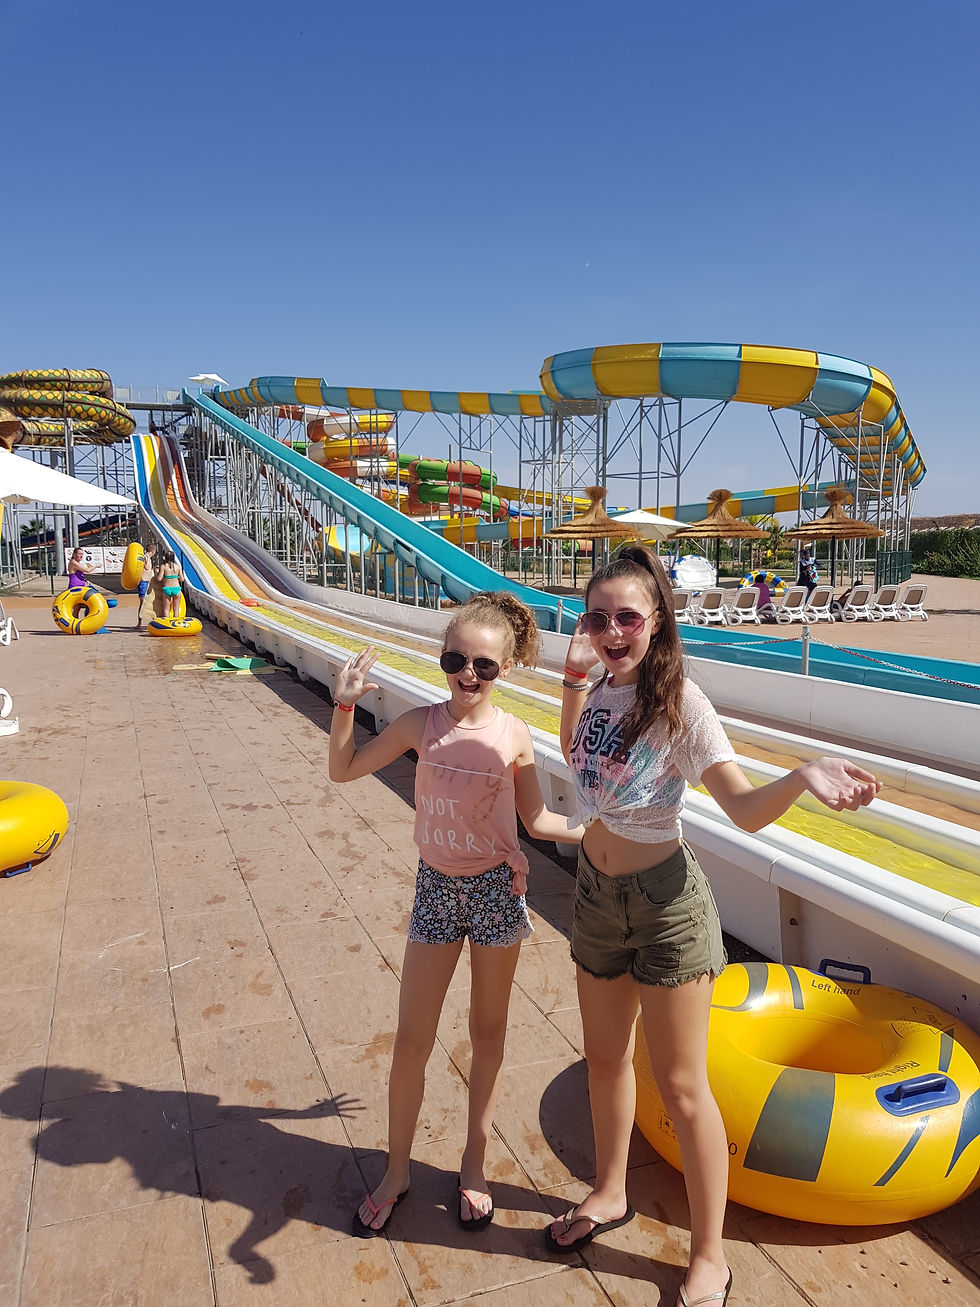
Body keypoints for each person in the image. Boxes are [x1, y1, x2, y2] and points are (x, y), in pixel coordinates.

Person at [547, 543, 880, 1307]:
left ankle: (709, 1256)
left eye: (627, 616)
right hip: (597, 897)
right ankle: (607, 1191)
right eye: (598, 618)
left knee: (684, 1086)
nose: (611, 630)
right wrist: (572, 681)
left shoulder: (682, 705)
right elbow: (578, 757)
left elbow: (741, 809)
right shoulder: (598, 685)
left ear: (658, 618)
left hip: (665, 909)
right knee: (604, 1061)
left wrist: (799, 776)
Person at [328, 591, 584, 1238]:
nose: (467, 674)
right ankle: (396, 1170)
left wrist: (601, 832)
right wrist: (345, 703)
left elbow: (537, 820)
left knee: (488, 1032)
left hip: (498, 890)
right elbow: (344, 768)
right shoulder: (423, 724)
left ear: (506, 668)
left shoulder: (514, 735)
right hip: (437, 888)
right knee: (412, 1038)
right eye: (455, 659)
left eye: (484, 666)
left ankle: (474, 1161)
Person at [156, 550, 183, 618]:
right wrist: (176, 577)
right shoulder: (178, 567)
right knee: (176, 609)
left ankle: (167, 625)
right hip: (177, 588)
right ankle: (175, 625)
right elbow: (182, 579)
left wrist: (157, 573)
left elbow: (159, 579)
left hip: (167, 589)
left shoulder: (163, 567)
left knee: (166, 609)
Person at [136, 542, 156, 628]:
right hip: (143, 582)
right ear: (153, 551)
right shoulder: (145, 557)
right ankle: (139, 622)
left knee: (148, 602)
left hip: (147, 582)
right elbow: (145, 567)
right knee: (143, 602)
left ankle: (151, 620)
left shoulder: (148, 558)